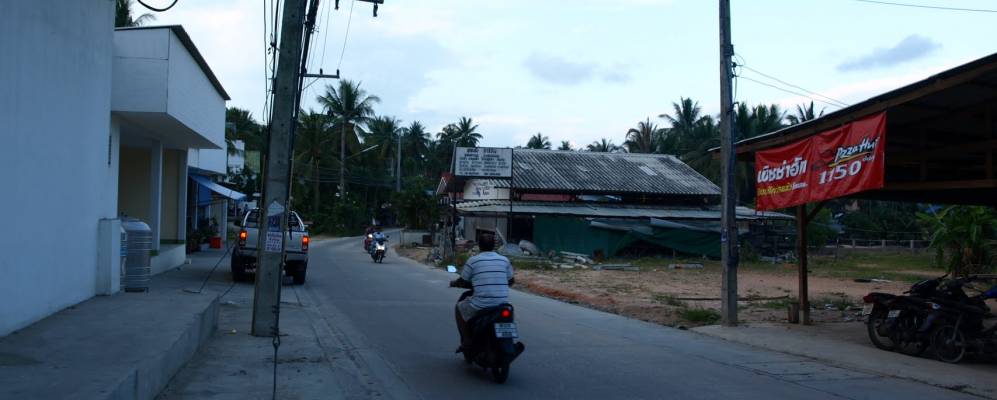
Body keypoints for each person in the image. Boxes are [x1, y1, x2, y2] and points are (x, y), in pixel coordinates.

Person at [449, 232, 514, 350]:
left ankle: (467, 341)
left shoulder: (473, 261)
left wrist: (454, 283)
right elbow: (511, 280)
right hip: (502, 304)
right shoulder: (504, 260)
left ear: (479, 245)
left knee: (459, 308)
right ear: (494, 245)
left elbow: (462, 281)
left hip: (481, 304)